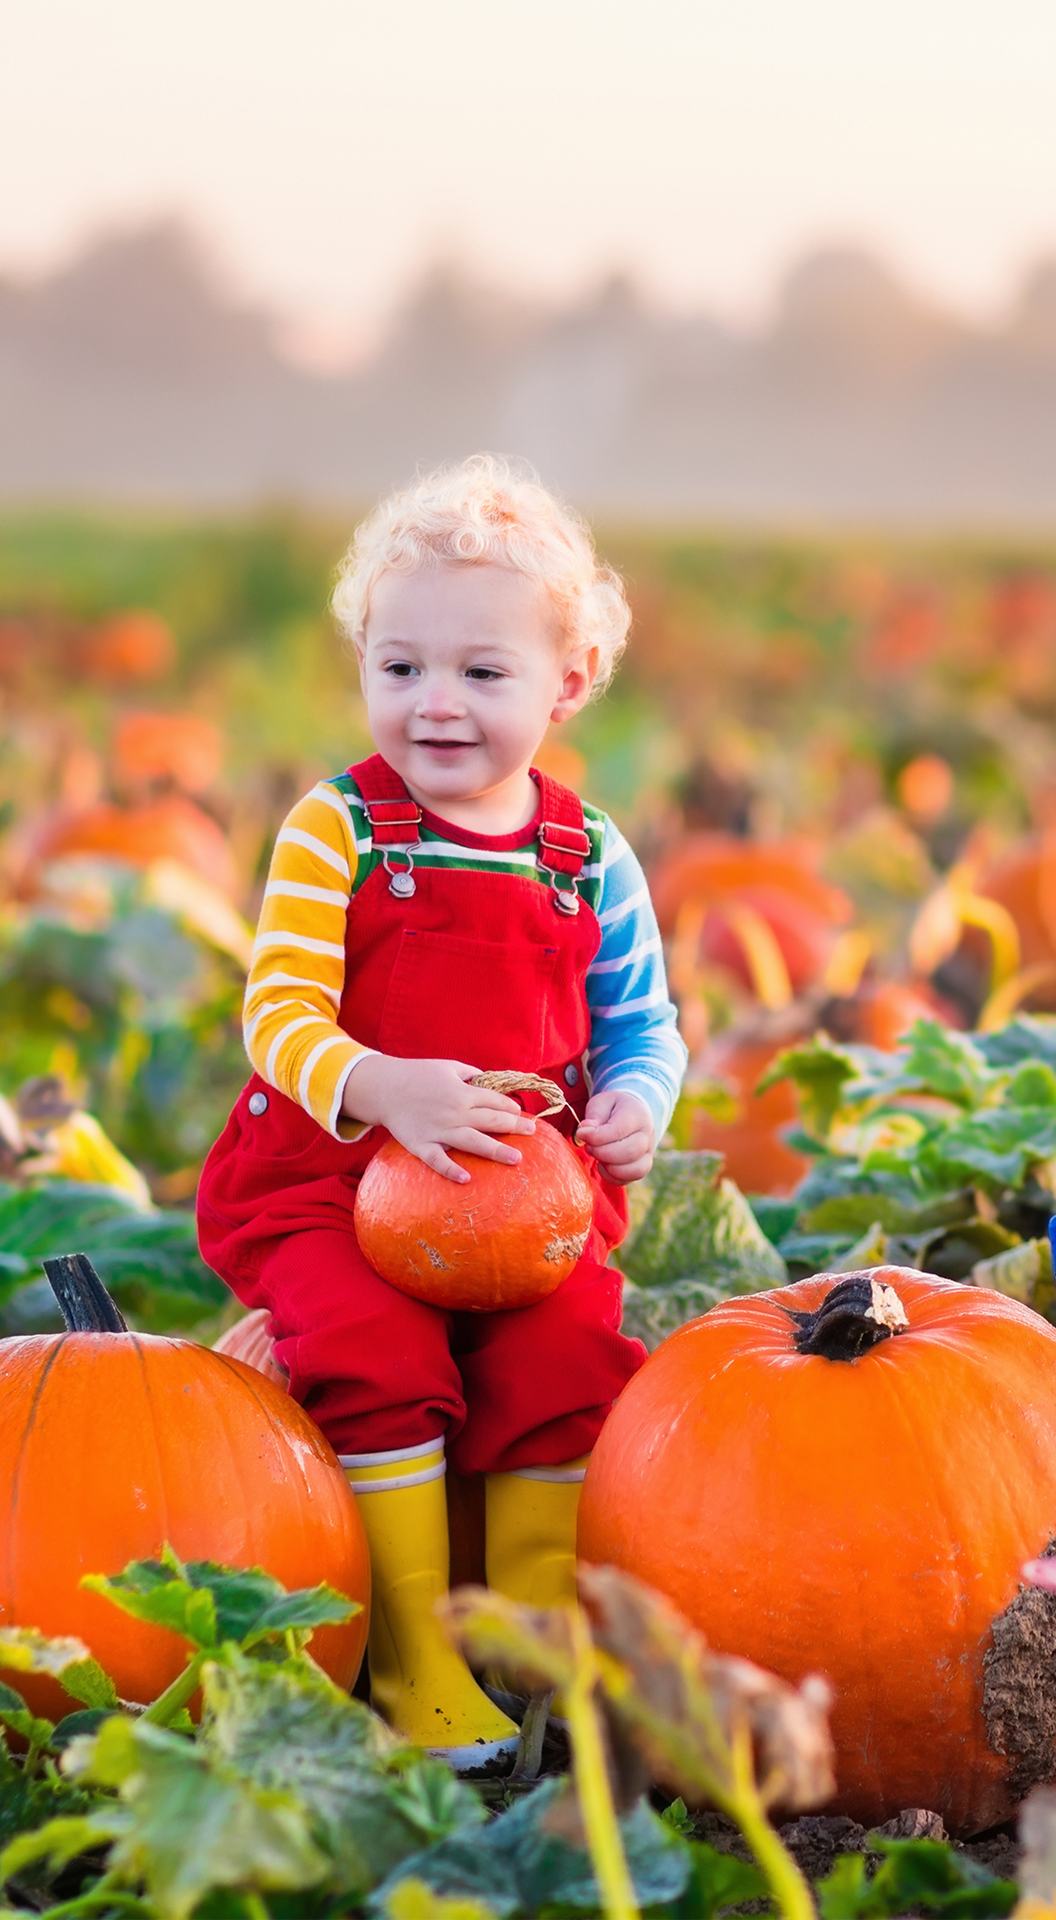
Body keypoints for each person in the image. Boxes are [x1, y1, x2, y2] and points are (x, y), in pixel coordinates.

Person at [197, 455, 686, 1767]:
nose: (437, 704)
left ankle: (528, 1641)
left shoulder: (589, 856)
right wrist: (379, 1084)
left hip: (522, 1202)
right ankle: (414, 1657)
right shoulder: (339, 827)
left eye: (483, 673)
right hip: (330, 1181)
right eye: (400, 668)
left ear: (568, 683)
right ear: (364, 663)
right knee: (376, 1349)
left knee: (570, 1350)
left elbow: (644, 1021)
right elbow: (279, 1012)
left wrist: (641, 1099)